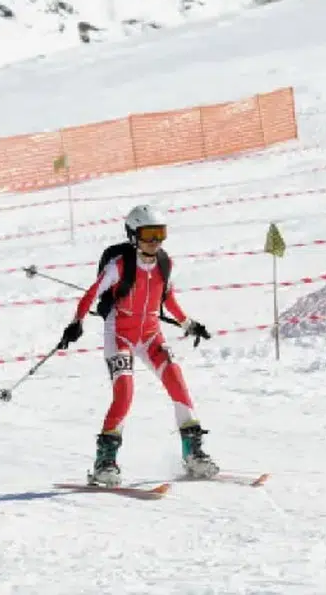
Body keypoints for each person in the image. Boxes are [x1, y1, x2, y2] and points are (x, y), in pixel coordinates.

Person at [61, 204, 217, 486]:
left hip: (150, 334)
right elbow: (90, 294)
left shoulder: (164, 264)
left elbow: (167, 299)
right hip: (120, 333)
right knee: (125, 393)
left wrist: (188, 324)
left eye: (160, 234)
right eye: (148, 234)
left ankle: (193, 453)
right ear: (133, 235)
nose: (155, 241)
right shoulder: (119, 266)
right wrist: (76, 323)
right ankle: (104, 462)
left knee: (177, 382)